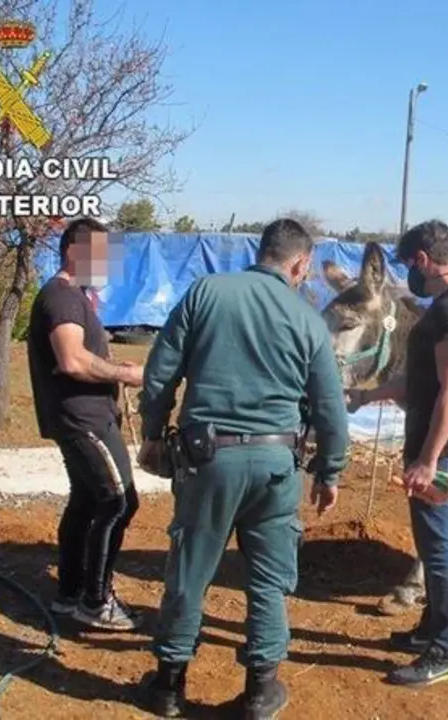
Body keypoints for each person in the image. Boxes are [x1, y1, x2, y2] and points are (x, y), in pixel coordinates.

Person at [136, 218, 349, 720]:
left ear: (262, 251)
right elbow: (330, 408)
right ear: (301, 263)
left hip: (207, 462)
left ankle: (168, 687)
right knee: (269, 580)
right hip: (277, 467)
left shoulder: (206, 292)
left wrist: (152, 434)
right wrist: (330, 472)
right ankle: (260, 692)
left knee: (190, 570)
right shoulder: (307, 318)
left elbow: (160, 372)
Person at [346, 219, 448, 688]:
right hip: (432, 444)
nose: (407, 273)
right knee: (431, 544)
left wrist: (429, 459)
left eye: (408, 264)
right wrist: (369, 396)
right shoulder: (447, 306)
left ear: (423, 260)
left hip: (441, 450)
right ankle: (431, 630)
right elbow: (421, 381)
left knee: (439, 550)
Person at [26, 217, 145, 631]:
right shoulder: (62, 298)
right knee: (119, 501)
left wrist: (112, 368)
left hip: (81, 416)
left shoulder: (73, 296)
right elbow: (72, 360)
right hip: (84, 419)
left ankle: (70, 592)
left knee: (86, 500)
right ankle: (96, 601)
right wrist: (125, 375)